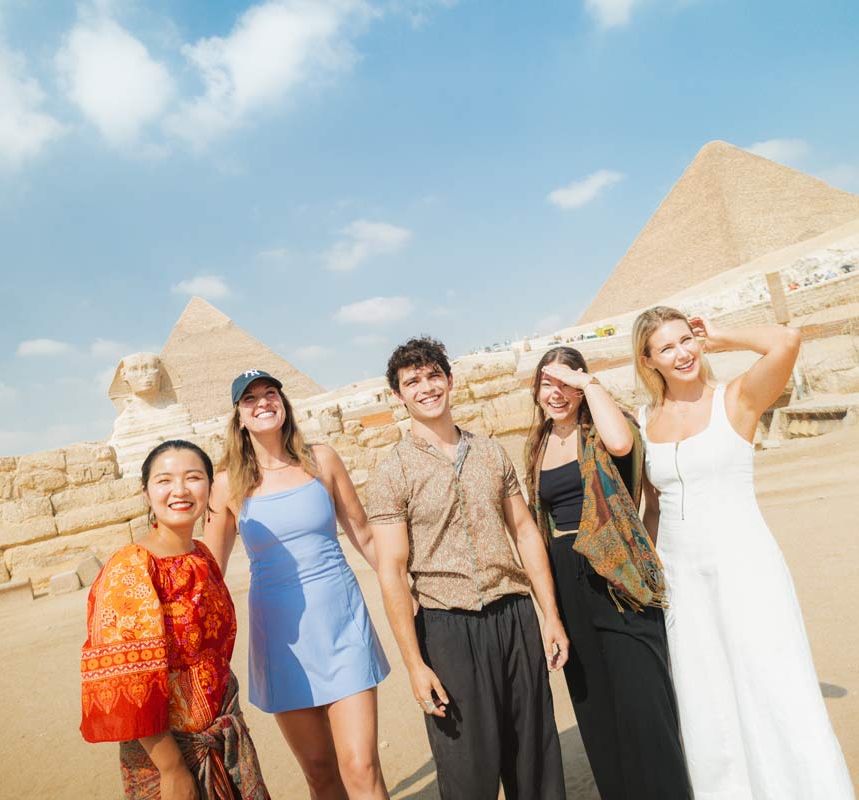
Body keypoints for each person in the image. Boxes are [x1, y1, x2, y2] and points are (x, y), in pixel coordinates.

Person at [632, 306, 853, 799]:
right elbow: (653, 506)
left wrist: (722, 336)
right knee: (706, 696)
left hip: (743, 564)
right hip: (681, 577)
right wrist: (650, 570)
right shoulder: (645, 422)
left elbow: (787, 340)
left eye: (686, 340)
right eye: (666, 347)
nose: (682, 352)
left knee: (772, 682)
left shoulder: (737, 399)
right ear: (648, 361)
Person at [366, 336, 568, 800]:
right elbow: (392, 573)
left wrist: (550, 616)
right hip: (447, 631)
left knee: (535, 759)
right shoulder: (392, 472)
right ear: (398, 397)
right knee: (466, 773)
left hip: (514, 619)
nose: (426, 387)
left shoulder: (492, 453)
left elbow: (525, 534)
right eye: (412, 382)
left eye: (433, 375)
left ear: (450, 380)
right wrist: (415, 665)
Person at [203, 370, 391, 800]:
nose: (262, 402)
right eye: (250, 399)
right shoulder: (228, 484)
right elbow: (210, 570)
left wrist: (407, 591)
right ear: (238, 416)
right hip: (281, 643)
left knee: (361, 766)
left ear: (284, 404)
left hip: (342, 627)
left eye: (270, 393)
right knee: (321, 774)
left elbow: (362, 534)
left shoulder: (321, 460)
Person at [524, 346, 692, 800]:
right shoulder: (536, 444)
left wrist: (587, 385)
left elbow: (621, 445)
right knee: (595, 710)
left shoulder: (602, 428)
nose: (556, 394)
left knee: (644, 709)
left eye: (566, 383)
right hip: (566, 574)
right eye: (547, 383)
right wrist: (550, 612)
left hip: (617, 576)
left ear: (583, 385)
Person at [80, 439, 268, 800]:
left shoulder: (203, 557)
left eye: (193, 477)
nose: (180, 490)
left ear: (210, 489)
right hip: (165, 757)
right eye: (164, 480)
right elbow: (128, 683)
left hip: (222, 742)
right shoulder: (131, 568)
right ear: (146, 492)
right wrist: (171, 768)